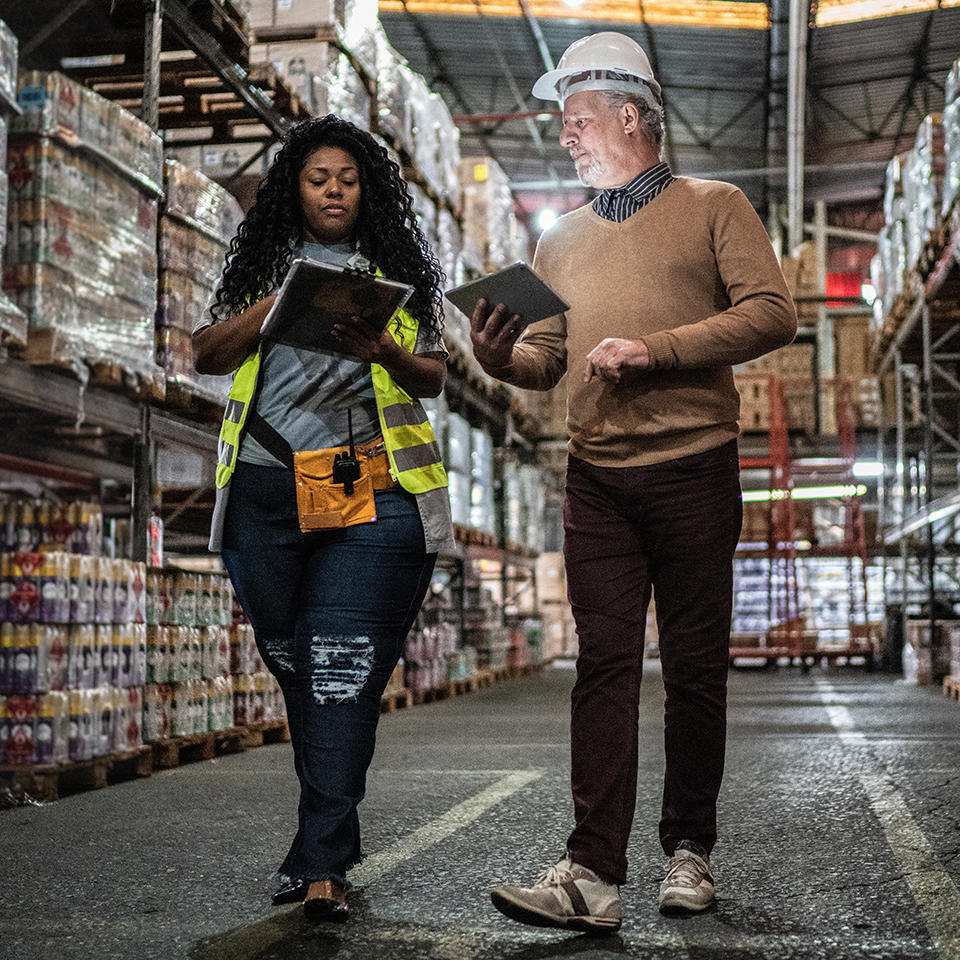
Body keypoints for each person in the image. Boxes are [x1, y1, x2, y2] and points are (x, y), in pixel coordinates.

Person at [470, 33, 797, 932]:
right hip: (599, 479)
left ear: (629, 115)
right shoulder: (557, 239)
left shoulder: (713, 205)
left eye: (577, 121)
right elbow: (544, 358)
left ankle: (690, 850)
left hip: (695, 464)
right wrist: (500, 357)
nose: (567, 138)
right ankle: (591, 873)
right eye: (564, 126)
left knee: (694, 669)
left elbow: (773, 312)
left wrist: (657, 351)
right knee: (603, 667)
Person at [193, 114, 453, 923]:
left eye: (348, 178)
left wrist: (384, 350)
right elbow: (205, 353)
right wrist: (275, 304)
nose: (334, 189)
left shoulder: (397, 273)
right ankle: (328, 838)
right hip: (267, 494)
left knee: (338, 673)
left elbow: (435, 378)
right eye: (317, 178)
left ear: (366, 189)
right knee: (298, 665)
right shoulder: (262, 267)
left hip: (371, 496)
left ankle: (322, 866)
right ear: (294, 190)